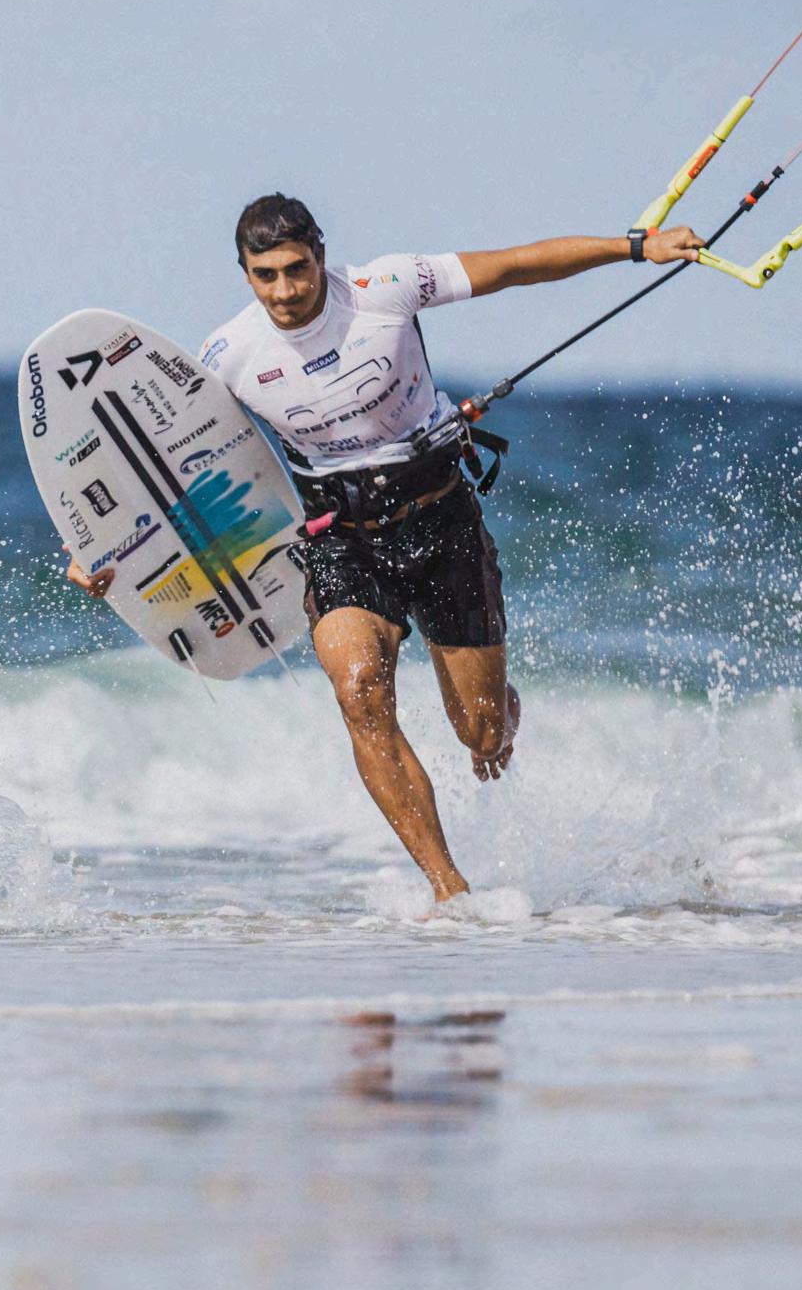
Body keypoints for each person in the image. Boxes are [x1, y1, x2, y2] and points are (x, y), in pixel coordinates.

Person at [66, 193, 704, 903]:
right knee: (359, 691)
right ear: (244, 273)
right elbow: (160, 469)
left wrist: (634, 247)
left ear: (320, 255)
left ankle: (497, 715)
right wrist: (101, 550)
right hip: (341, 540)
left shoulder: (385, 289)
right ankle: (449, 891)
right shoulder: (227, 356)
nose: (284, 290)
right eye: (265, 275)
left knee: (481, 734)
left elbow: (514, 265)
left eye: (296, 269)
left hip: (440, 522)